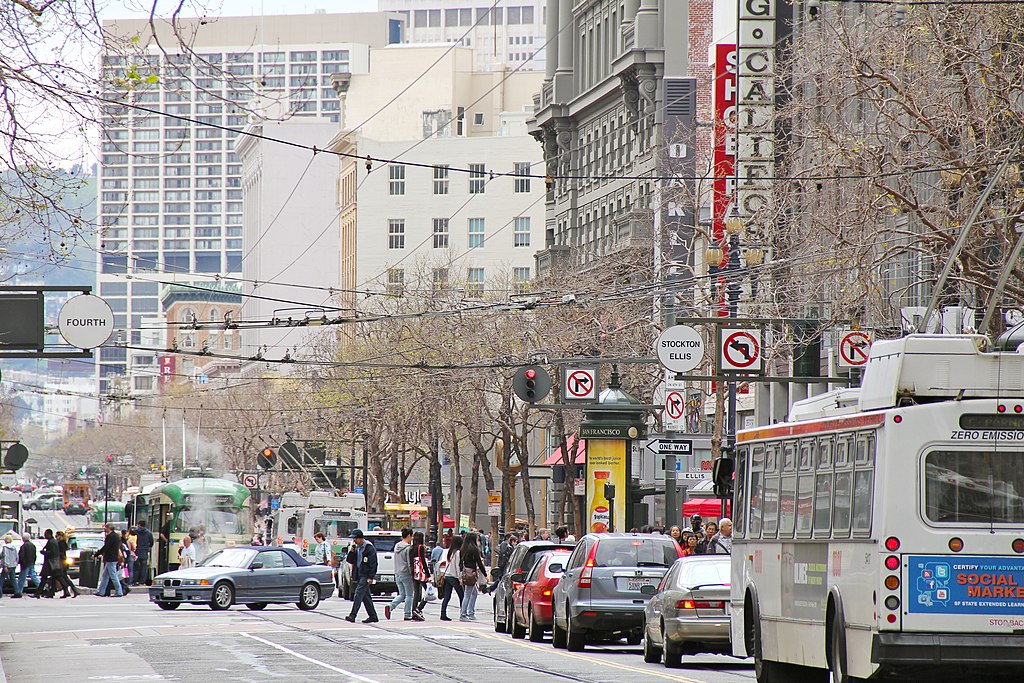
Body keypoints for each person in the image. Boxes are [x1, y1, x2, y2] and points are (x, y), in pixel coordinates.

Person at [344, 529, 379, 623]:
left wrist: (371, 577)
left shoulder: (369, 548)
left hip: (365, 574)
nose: (354, 541)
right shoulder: (356, 548)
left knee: (358, 594)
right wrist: (351, 552)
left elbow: (373, 563)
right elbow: (349, 560)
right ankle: (373, 616)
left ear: (360, 538)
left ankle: (353, 615)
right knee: (366, 597)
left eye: (355, 538)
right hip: (359, 573)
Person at [384, 527, 415, 621]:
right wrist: (412, 573)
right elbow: (409, 562)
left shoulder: (397, 546)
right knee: (409, 595)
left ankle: (391, 606)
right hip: (406, 573)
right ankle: (407, 614)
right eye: (411, 536)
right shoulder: (408, 548)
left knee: (402, 594)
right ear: (409, 536)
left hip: (397, 573)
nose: (412, 538)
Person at [459, 531, 486, 622]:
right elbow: (479, 562)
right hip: (471, 573)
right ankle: (463, 614)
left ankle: (470, 612)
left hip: (466, 572)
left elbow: (460, 562)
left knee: (473, 593)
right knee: (467, 594)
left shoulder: (464, 548)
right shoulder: (474, 549)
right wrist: (485, 574)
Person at [438, 535, 464, 622]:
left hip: (447, 576)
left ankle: (443, 613)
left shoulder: (449, 551)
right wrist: (460, 577)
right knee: (462, 595)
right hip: (453, 577)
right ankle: (463, 613)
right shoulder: (457, 553)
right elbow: (457, 566)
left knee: (447, 596)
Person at [97, 523, 124, 598]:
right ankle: (101, 591)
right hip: (113, 558)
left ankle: (119, 592)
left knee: (113, 576)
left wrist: (97, 554)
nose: (105, 529)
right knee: (105, 576)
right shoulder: (116, 536)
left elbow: (106, 547)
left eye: (106, 528)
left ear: (109, 528)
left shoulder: (110, 536)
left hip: (110, 558)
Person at [54, 531, 80, 598]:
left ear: (60, 536)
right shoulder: (62, 543)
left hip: (61, 562)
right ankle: (69, 591)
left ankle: (73, 590)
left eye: (57, 536)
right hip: (62, 562)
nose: (56, 537)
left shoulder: (61, 543)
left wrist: (57, 554)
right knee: (64, 577)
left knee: (62, 576)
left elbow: (62, 553)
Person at [35, 529, 60, 598]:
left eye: (45, 534)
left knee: (44, 578)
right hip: (51, 563)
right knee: (53, 578)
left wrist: (43, 552)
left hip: (50, 563)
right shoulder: (52, 541)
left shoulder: (52, 542)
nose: (44, 535)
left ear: (49, 534)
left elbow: (52, 552)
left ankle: (38, 593)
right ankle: (50, 592)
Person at [410, 531, 429, 620]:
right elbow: (423, 561)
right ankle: (419, 608)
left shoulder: (411, 548)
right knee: (428, 592)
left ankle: (414, 611)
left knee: (416, 593)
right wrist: (428, 574)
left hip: (414, 572)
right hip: (421, 573)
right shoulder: (420, 547)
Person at [16, 531, 39, 597]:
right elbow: (35, 555)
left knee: (21, 579)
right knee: (34, 576)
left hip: (25, 564)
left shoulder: (24, 546)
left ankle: (19, 591)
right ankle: (42, 587)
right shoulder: (32, 545)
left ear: (24, 538)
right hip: (31, 563)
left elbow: (21, 555)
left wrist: (19, 562)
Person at [133, 520, 154, 586]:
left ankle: (135, 580)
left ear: (139, 525)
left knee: (136, 567)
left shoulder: (135, 532)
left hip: (136, 551)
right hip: (144, 551)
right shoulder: (149, 533)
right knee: (143, 567)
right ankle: (142, 581)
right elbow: (151, 542)